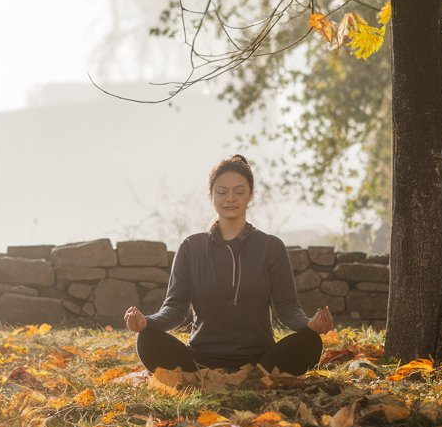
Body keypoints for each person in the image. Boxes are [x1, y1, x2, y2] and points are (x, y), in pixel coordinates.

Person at [124, 154, 333, 375]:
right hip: (200, 361)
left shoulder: (271, 247)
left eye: (239, 191)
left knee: (310, 342)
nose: (230, 198)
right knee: (147, 340)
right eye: (222, 192)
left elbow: (288, 309)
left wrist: (309, 325)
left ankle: (256, 376)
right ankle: (203, 376)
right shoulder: (191, 248)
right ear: (211, 196)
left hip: (261, 361)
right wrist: (146, 323)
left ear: (250, 195)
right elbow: (174, 309)